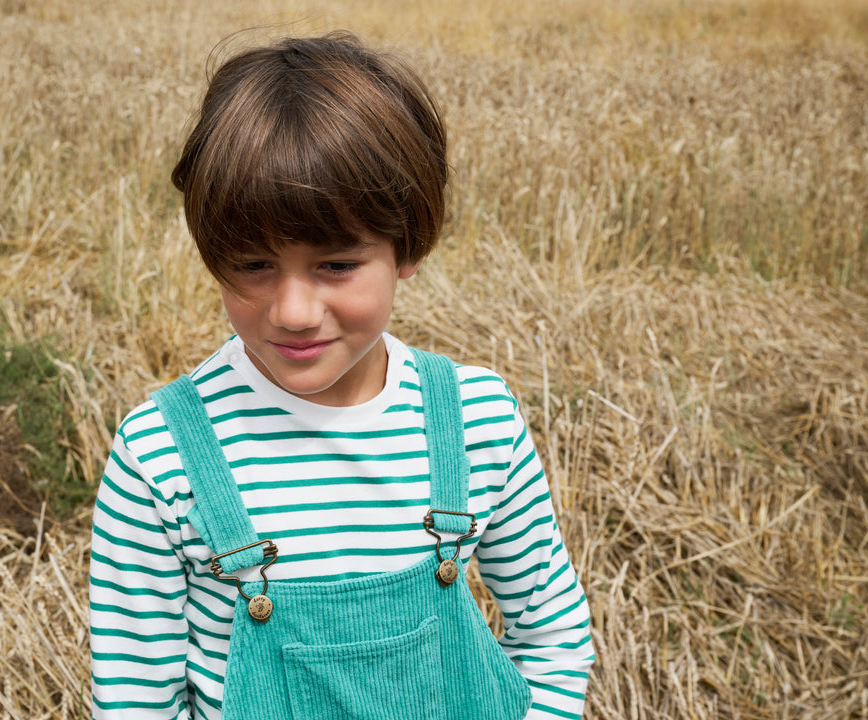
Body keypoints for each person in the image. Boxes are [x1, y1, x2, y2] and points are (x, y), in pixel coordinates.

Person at [89, 32, 594, 720]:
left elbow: (554, 633)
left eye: (335, 264)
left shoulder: (477, 421)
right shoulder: (161, 453)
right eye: (254, 265)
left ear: (407, 247)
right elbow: (135, 705)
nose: (294, 312)